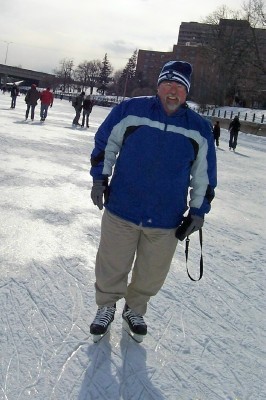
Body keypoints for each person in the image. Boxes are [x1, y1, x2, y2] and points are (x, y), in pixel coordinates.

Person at [89, 60, 217, 342]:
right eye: (167, 84)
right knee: (112, 263)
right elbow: (106, 144)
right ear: (159, 86)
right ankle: (107, 306)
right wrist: (100, 178)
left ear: (186, 93)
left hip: (166, 216)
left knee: (152, 272)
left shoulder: (199, 128)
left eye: (179, 87)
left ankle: (134, 309)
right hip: (123, 206)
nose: (172, 92)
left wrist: (198, 211)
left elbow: (204, 175)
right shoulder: (131, 110)